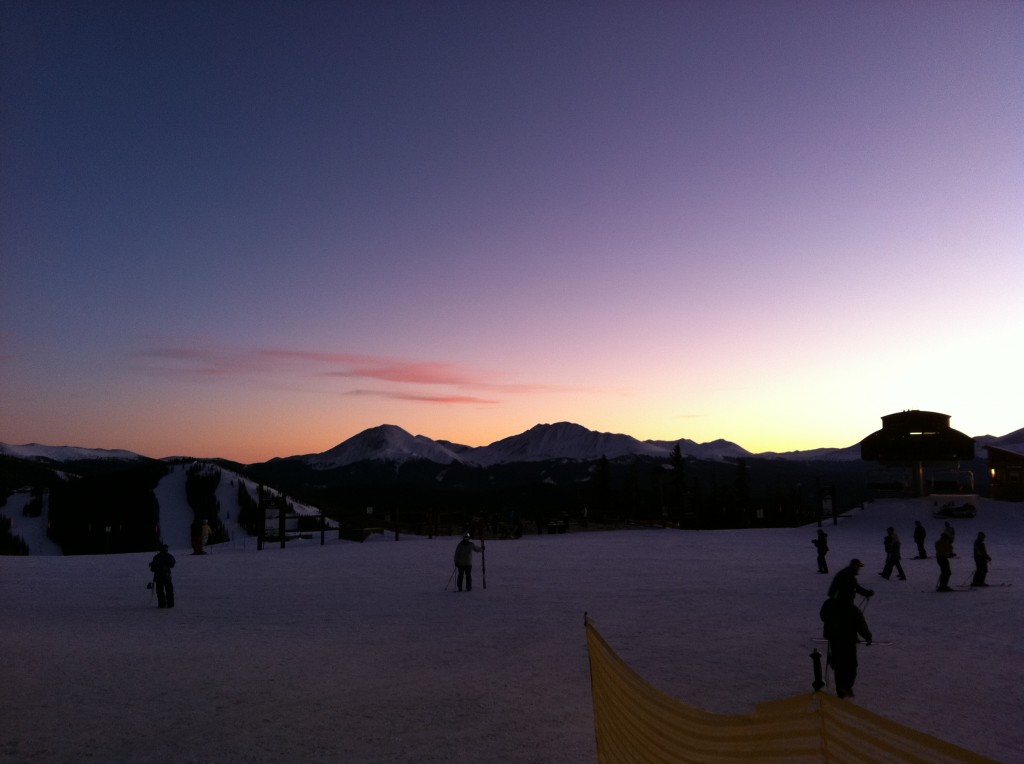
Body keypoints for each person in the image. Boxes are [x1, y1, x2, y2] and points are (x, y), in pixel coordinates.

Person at [820, 595, 872, 699]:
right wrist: (868, 637)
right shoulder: (852, 609)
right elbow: (861, 624)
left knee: (839, 665)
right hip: (848, 641)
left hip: (834, 638)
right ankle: (846, 686)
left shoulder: (829, 603)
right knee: (852, 665)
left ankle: (841, 688)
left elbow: (822, 616)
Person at [149, 544, 176, 608]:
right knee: (169, 591)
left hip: (159, 577)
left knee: (160, 592)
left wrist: (153, 565)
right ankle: (170, 604)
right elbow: (172, 564)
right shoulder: (169, 556)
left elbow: (152, 569)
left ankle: (162, 604)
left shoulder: (156, 557)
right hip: (167, 577)